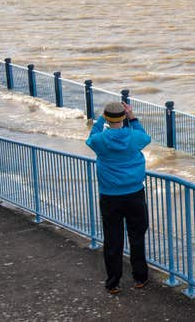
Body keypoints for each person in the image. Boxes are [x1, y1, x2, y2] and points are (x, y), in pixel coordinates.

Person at [86, 101, 152, 294]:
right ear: (123, 117)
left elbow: (91, 138)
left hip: (109, 196)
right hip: (134, 194)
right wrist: (132, 117)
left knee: (112, 239)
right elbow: (145, 137)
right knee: (137, 236)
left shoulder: (100, 140)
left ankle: (113, 282)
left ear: (107, 118)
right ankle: (140, 278)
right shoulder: (134, 137)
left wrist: (101, 120)